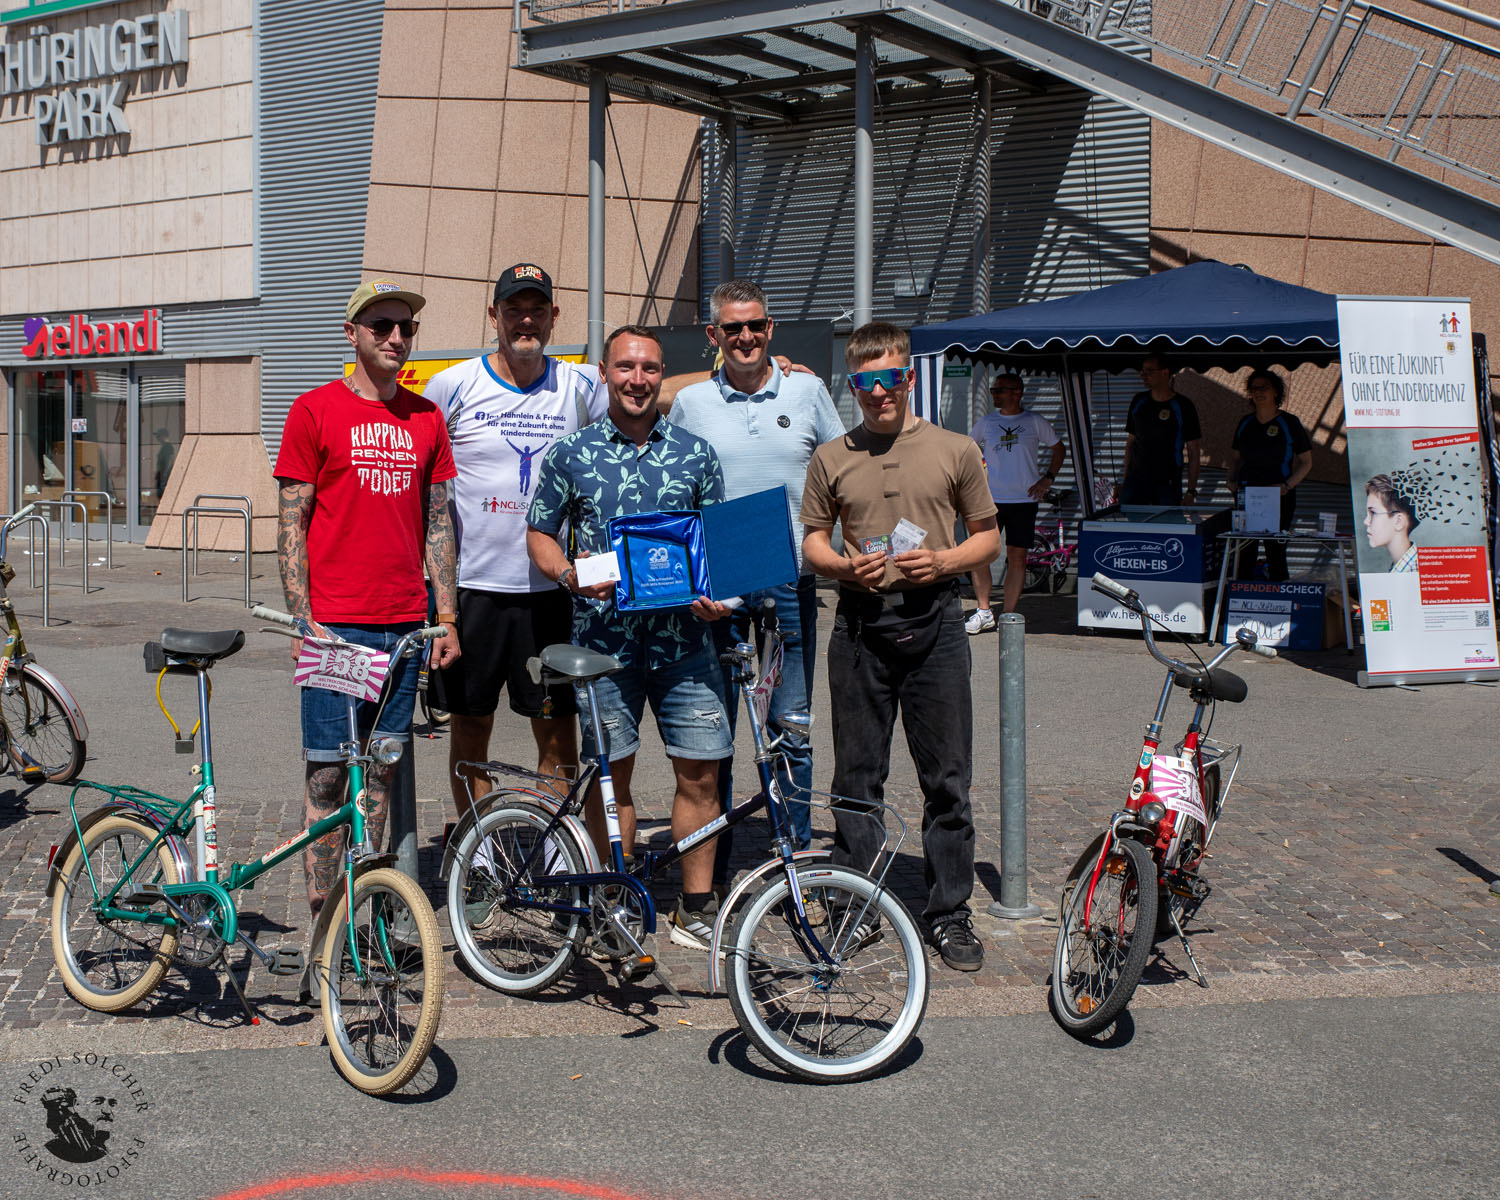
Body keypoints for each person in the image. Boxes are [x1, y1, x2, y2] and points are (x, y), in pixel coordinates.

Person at [526, 325, 734, 951]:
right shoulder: (572, 454)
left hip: (686, 646)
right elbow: (539, 533)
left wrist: (717, 592)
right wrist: (567, 573)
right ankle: (612, 894)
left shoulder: (697, 454)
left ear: (660, 374)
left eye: (649, 368)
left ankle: (694, 906)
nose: (637, 379)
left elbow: (717, 545)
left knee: (700, 774)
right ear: (605, 375)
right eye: (625, 367)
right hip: (603, 647)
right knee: (610, 775)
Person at [800, 322, 1000, 972]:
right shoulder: (831, 456)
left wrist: (943, 562)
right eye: (866, 382)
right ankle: (855, 906)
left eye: (890, 379)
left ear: (909, 378)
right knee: (857, 780)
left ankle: (948, 912)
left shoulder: (956, 449)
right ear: (852, 385)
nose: (879, 392)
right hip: (859, 626)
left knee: (948, 783)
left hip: (935, 622)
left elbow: (988, 539)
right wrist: (836, 568)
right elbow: (814, 540)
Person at [274, 279, 460, 918]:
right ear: (351, 333)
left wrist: (447, 618)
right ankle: (324, 916)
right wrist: (304, 619)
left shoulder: (427, 418)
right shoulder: (314, 410)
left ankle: (363, 903)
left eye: (404, 327)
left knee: (378, 772)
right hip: (335, 629)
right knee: (327, 773)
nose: (396, 338)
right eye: (381, 326)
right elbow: (291, 521)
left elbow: (439, 523)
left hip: (405, 626)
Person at [667, 279, 846, 867]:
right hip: (717, 585)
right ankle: (709, 866)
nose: (746, 337)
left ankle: (791, 856)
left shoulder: (806, 389)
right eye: (733, 328)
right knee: (711, 729)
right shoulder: (692, 403)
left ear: (770, 330)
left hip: (789, 581)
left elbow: (845, 467)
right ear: (714, 335)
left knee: (789, 723)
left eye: (756, 326)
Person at [423, 265, 607, 835]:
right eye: (513, 308)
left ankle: (557, 856)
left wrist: (751, 370)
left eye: (537, 308)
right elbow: (423, 495)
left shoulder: (583, 389)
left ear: (555, 317)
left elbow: (641, 401)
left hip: (550, 592)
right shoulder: (450, 387)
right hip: (472, 592)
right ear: (494, 314)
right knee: (471, 729)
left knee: (556, 733)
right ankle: (479, 855)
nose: (524, 319)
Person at [965, 372, 1065, 631]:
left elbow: (1058, 448)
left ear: (1016, 392)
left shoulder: (1034, 421)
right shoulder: (986, 422)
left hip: (1023, 499)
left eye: (999, 390)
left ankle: (1008, 615)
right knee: (979, 555)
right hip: (990, 501)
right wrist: (976, 479)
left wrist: (1048, 479)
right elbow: (967, 450)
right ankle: (984, 610)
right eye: (993, 390)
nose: (994, 395)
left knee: (1017, 557)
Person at [1226, 369, 1313, 581]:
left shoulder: (1289, 423)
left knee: (1276, 551)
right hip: (1248, 494)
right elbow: (1236, 458)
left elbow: (1306, 463)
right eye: (1254, 388)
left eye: (1264, 387)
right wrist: (1231, 480)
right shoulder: (1245, 423)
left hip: (1279, 496)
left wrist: (1287, 486)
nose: (1258, 392)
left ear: (1276, 391)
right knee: (1245, 550)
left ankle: (1279, 604)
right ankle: (1243, 601)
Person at [1120, 353, 1202, 506]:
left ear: (1165, 373)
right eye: (1142, 371)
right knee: (1132, 527)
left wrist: (1191, 491)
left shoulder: (1183, 405)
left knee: (1165, 527)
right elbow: (1130, 443)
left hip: (1167, 484)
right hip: (1136, 482)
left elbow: (1194, 451)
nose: (1144, 375)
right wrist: (1125, 480)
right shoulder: (1139, 401)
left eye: (1149, 371)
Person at [1364, 474, 1419, 572]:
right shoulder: (1402, 568)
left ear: (1398, 521)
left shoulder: (1413, 571)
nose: (1366, 521)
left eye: (1373, 512)